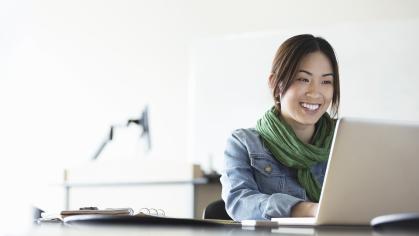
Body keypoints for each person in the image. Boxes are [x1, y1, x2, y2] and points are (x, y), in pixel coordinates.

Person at [220, 34, 340, 221]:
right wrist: (305, 209)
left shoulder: (344, 140)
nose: (315, 92)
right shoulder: (243, 143)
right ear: (275, 83)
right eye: (303, 79)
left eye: (326, 82)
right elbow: (239, 202)